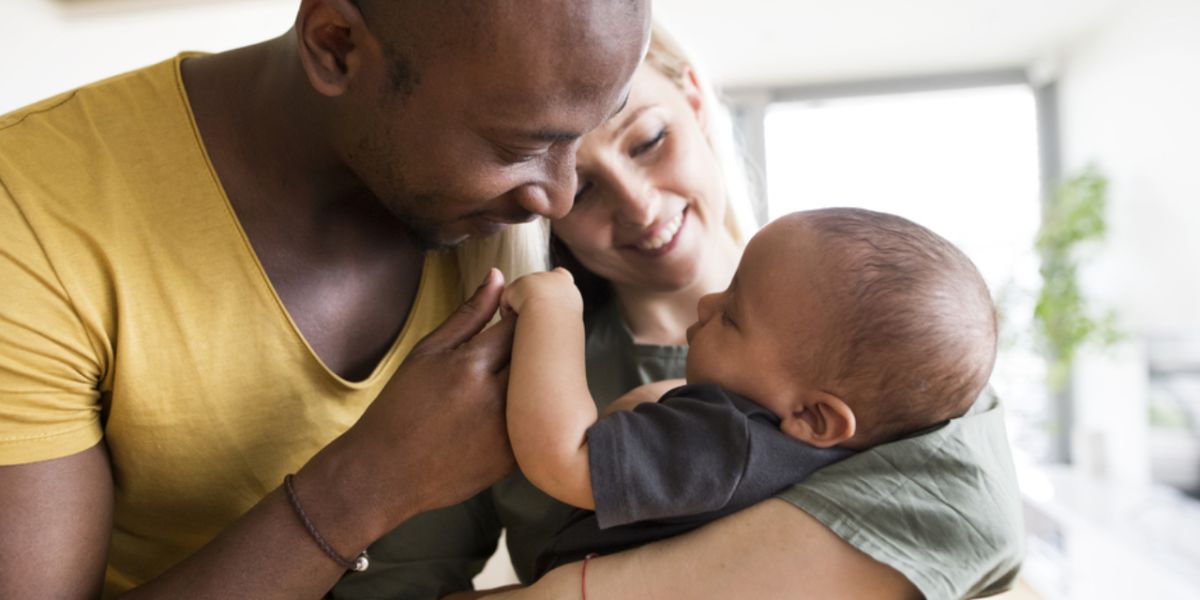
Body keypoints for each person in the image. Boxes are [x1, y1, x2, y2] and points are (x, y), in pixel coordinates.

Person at [0, 0, 650, 598]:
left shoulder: (521, 203)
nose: (558, 200)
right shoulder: (28, 216)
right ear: (336, 46)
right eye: (521, 147)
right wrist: (365, 485)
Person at [463, 24, 1021, 600]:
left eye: (649, 140)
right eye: (580, 189)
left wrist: (551, 306)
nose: (639, 204)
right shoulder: (794, 402)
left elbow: (981, 533)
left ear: (697, 99)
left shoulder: (879, 344)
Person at [502, 207, 999, 579]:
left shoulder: (729, 439)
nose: (706, 302)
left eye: (733, 316)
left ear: (814, 417)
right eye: (731, 284)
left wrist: (555, 310)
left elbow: (562, 457)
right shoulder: (803, 458)